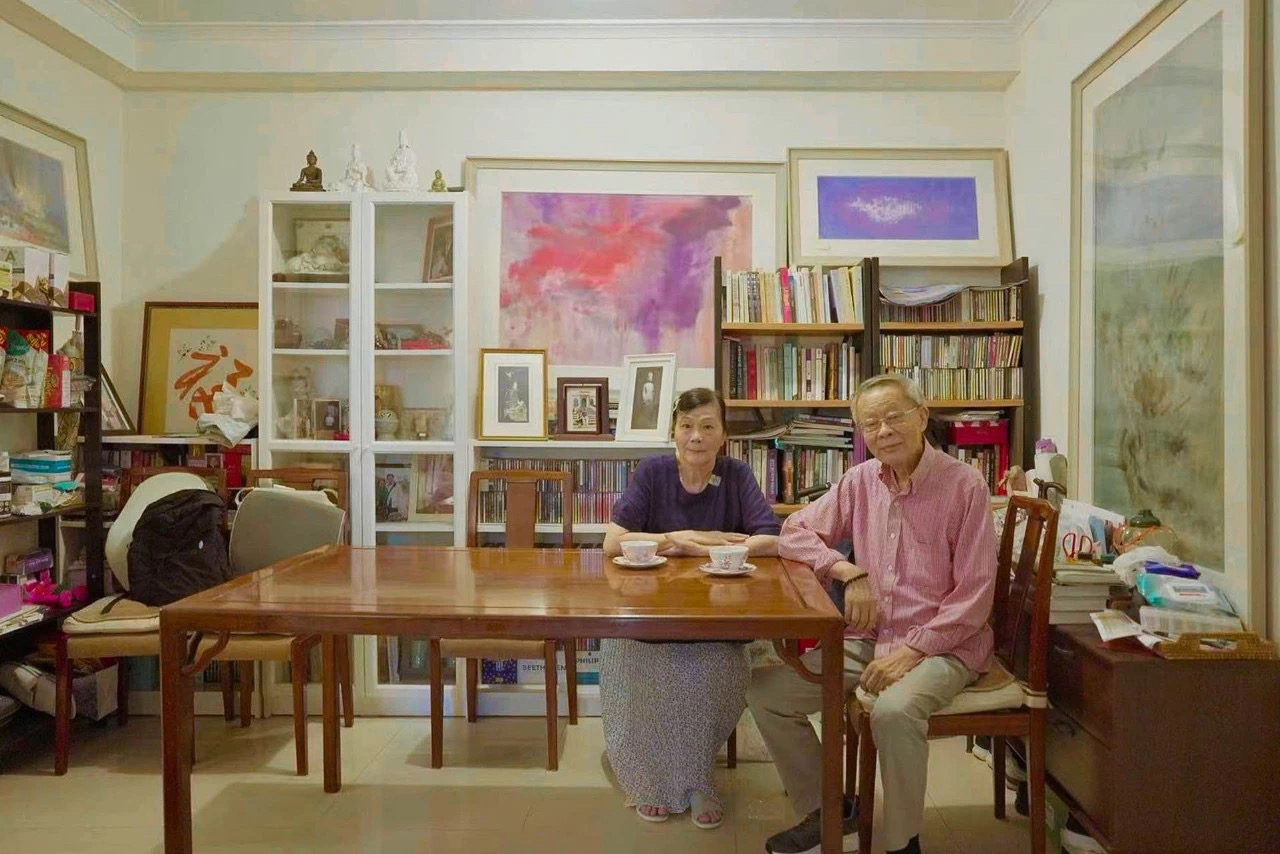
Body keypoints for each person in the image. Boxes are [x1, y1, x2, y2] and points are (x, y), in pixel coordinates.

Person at [748, 374, 997, 854]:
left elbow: (975, 595)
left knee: (893, 711)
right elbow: (795, 531)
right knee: (767, 693)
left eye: (893, 417)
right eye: (870, 423)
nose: (883, 431)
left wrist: (912, 651)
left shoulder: (965, 486)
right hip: (869, 638)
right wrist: (846, 570)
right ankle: (830, 809)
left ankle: (903, 842)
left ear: (922, 416)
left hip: (945, 645)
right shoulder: (860, 481)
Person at [601, 387, 780, 829]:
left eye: (707, 426)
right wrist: (685, 538)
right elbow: (612, 542)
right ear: (674, 432)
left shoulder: (737, 475)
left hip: (718, 618)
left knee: (714, 671)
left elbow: (771, 539)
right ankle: (648, 779)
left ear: (723, 435)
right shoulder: (653, 472)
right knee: (627, 658)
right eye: (686, 426)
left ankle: (698, 779)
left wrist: (700, 547)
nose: (696, 436)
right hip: (650, 615)